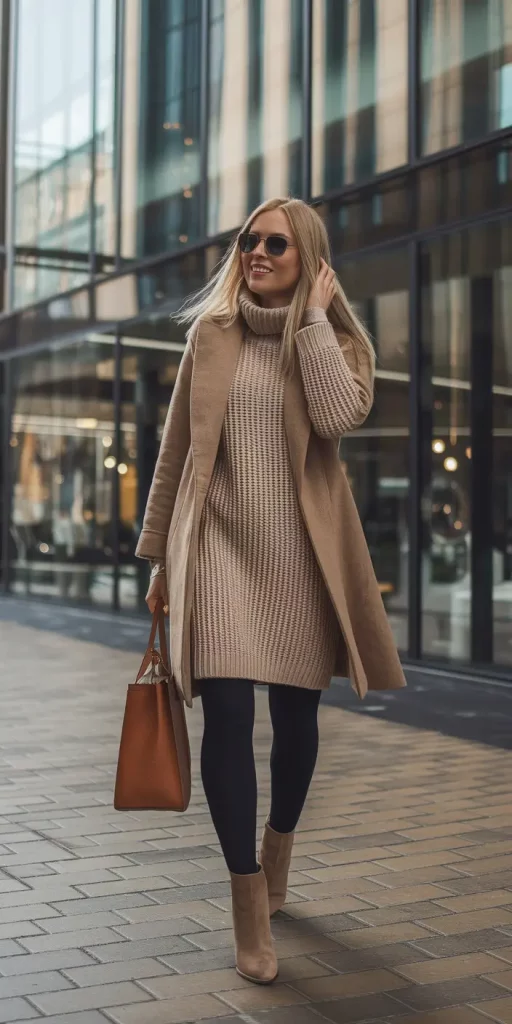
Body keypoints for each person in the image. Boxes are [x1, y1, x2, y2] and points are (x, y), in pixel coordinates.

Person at [136, 197, 406, 985]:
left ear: (308, 258)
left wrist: (316, 320)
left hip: (300, 561)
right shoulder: (209, 337)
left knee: (295, 723)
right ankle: (247, 903)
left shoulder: (338, 343)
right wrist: (159, 558)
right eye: (248, 241)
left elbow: (337, 415)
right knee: (226, 716)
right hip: (218, 550)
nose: (256, 252)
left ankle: (279, 843)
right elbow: (175, 451)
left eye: (275, 244)